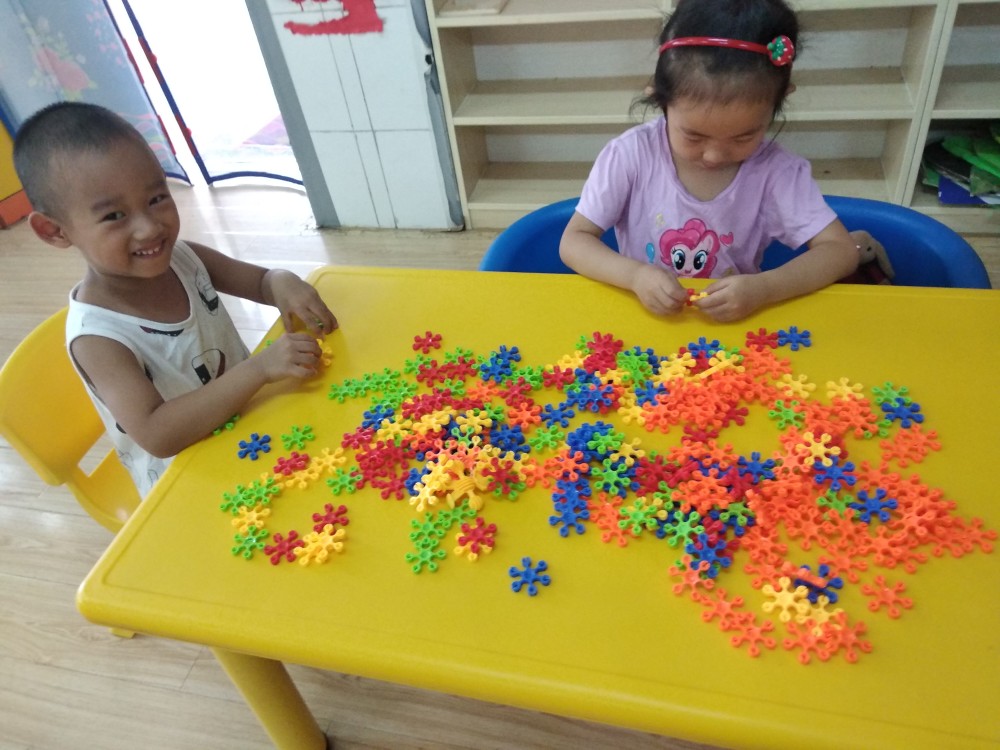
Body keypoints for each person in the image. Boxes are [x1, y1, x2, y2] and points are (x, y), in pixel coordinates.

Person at [13, 102, 338, 496]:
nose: (149, 227)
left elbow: (262, 282)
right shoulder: (98, 338)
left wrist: (283, 282)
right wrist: (259, 369)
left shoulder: (186, 259)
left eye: (156, 198)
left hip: (251, 429)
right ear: (55, 231)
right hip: (186, 483)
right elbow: (157, 433)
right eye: (114, 216)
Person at [560, 0, 860, 322]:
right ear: (659, 98)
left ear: (780, 100)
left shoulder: (777, 171)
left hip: (733, 328)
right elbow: (574, 241)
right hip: (643, 321)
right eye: (694, 136)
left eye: (743, 137)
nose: (714, 155)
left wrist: (765, 288)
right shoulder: (631, 155)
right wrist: (635, 277)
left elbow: (840, 251)